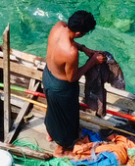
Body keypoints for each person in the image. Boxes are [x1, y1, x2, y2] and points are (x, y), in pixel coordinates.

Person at [43, 11, 101, 154]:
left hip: (48, 76)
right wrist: (93, 61)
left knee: (53, 109)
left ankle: (50, 133)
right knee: (66, 118)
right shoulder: (70, 52)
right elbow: (72, 78)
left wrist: (84, 49)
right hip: (61, 88)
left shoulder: (59, 27)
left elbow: (69, 39)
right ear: (79, 33)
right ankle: (62, 147)